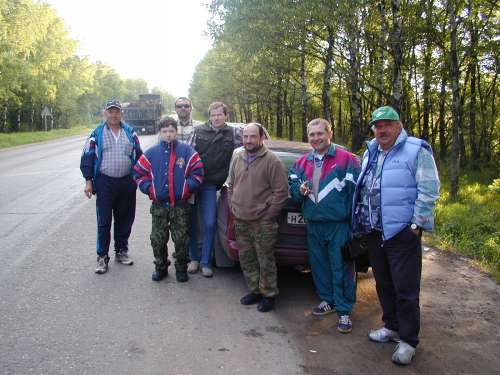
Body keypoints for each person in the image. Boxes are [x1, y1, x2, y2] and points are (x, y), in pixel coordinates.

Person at [351, 106, 440, 365]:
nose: (382, 130)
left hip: (401, 232)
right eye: (378, 126)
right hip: (374, 231)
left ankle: (409, 340)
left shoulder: (416, 149)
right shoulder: (371, 152)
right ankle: (391, 326)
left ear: (399, 126)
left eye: (387, 125)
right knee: (384, 283)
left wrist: (416, 224)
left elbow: (429, 189)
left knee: (406, 289)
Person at [289, 118, 360, 333]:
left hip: (338, 224)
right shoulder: (300, 163)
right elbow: (293, 191)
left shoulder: (348, 160)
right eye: (312, 134)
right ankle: (328, 300)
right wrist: (298, 190)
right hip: (314, 224)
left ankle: (345, 310)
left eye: (320, 133)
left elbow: (356, 195)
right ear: (308, 137)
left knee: (341, 266)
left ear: (330, 133)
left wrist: (354, 225)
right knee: (319, 266)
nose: (316, 138)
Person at [133, 116, 203, 282]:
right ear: (160, 132)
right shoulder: (151, 153)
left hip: (180, 206)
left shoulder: (187, 152)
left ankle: (181, 268)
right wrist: (150, 189)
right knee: (157, 239)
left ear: (176, 132)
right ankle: (161, 267)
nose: (168, 134)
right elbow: (138, 173)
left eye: (171, 131)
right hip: (159, 206)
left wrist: (186, 189)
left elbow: (198, 173)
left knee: (181, 240)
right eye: (165, 131)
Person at [227, 123, 288, 312]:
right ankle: (254, 290)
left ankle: (268, 295)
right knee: (247, 258)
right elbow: (230, 185)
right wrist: (233, 207)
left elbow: (281, 192)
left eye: (253, 136)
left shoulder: (272, 161)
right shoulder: (238, 157)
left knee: (265, 259)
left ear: (261, 138)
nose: (248, 140)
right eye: (245, 137)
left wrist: (268, 215)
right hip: (241, 219)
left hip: (262, 222)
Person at [80, 99, 143, 274]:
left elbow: (139, 157)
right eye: (110, 111)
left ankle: (121, 251)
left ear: (121, 113)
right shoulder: (97, 133)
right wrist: (88, 181)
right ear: (105, 113)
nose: (114, 115)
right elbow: (88, 156)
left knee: (125, 218)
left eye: (117, 111)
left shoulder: (130, 132)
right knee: (104, 220)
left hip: (126, 181)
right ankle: (102, 257)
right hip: (105, 182)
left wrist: (139, 178)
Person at [188, 101, 241, 277]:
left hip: (211, 185)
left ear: (226, 115)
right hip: (193, 183)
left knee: (210, 222)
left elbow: (241, 155)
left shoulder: (234, 134)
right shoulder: (198, 132)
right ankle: (193, 258)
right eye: (213, 114)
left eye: (220, 114)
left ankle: (205, 262)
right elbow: (188, 154)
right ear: (209, 116)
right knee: (191, 221)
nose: (216, 117)